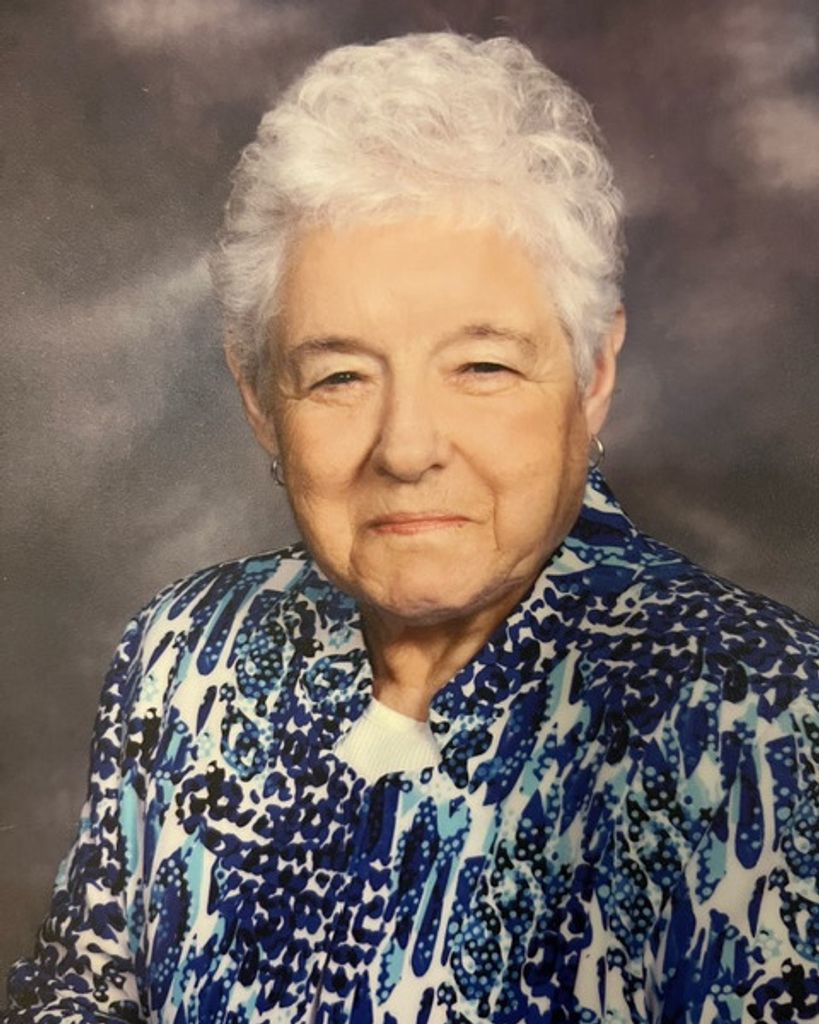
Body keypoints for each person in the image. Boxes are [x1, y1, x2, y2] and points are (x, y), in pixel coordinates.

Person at [4, 31, 818, 1024]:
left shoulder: (753, 711)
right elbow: (75, 992)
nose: (406, 447)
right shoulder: (182, 656)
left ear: (592, 374)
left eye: (482, 366)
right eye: (340, 375)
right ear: (260, 399)